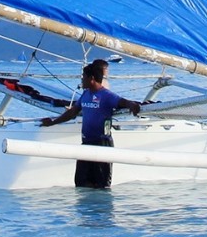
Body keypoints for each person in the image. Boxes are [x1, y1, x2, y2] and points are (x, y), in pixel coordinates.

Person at [40, 58, 143, 188]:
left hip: (103, 144)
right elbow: (72, 112)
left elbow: (123, 102)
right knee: (81, 183)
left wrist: (132, 105)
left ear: (92, 78)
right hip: (86, 144)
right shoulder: (86, 94)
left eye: (84, 77)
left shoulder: (106, 95)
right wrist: (53, 122)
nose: (82, 80)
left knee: (101, 185)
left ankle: (101, 208)